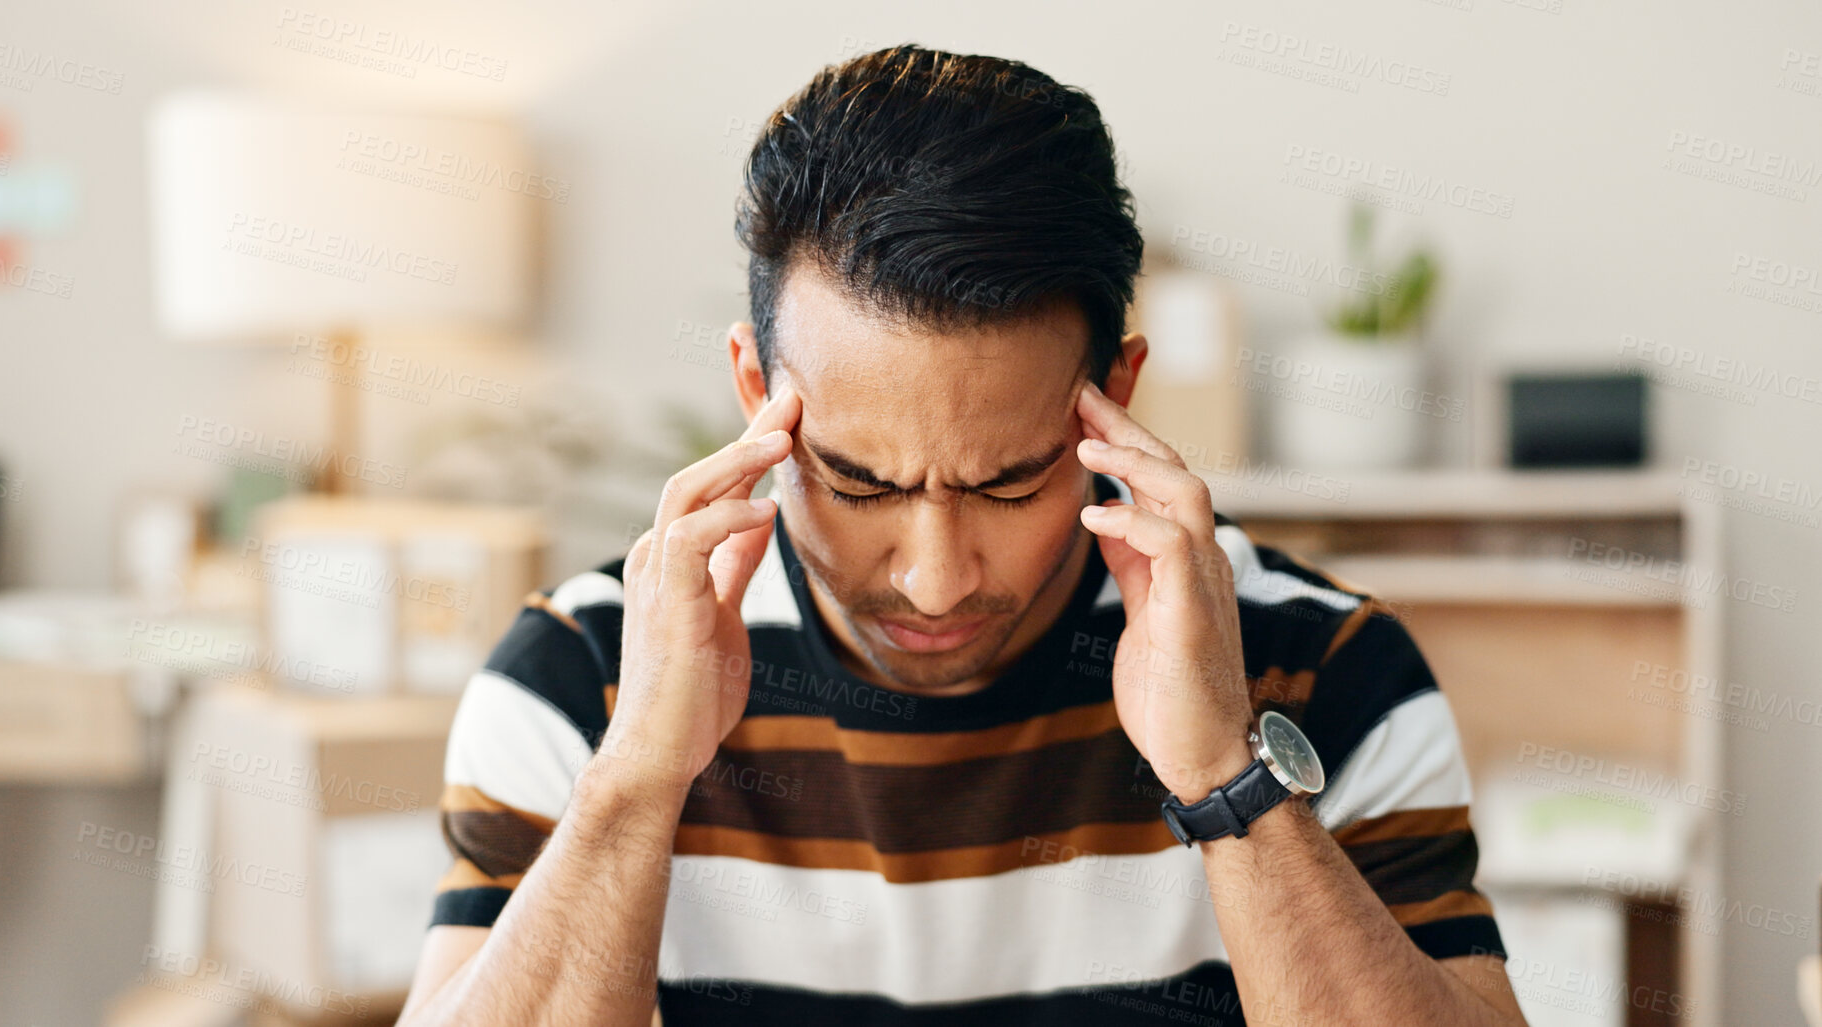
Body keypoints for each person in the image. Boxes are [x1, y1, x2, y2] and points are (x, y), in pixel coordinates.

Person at [397, 44, 1526, 1027]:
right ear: (755, 391)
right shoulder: (582, 672)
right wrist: (639, 775)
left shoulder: (1326, 665)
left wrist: (1223, 773)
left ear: (1118, 396)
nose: (935, 581)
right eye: (855, 479)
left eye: (1008, 483)